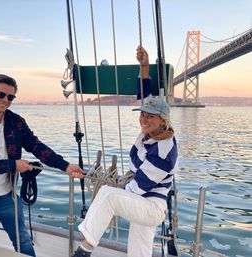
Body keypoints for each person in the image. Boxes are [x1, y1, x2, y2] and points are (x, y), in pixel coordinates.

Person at [0, 74, 84, 257]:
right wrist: (14, 165)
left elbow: (36, 146)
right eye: (1, 95)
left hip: (5, 197)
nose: (5, 100)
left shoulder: (16, 122)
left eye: (11, 97)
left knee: (23, 241)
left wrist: (65, 166)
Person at [71, 47, 178, 257]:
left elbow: (139, 187)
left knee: (108, 195)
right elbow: (145, 95)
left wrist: (117, 190)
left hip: (150, 205)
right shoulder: (152, 133)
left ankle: (85, 248)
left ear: (163, 121)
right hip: (145, 201)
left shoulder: (164, 150)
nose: (144, 119)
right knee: (139, 252)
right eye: (143, 115)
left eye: (151, 117)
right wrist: (144, 66)